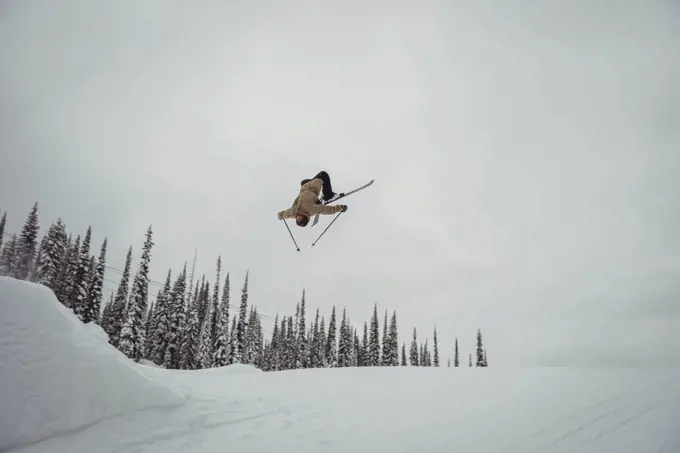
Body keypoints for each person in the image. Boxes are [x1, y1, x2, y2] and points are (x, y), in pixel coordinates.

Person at [277, 171, 347, 227]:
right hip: (313, 188)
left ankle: (319, 200)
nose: (298, 218)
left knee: (303, 181)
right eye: (300, 219)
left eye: (297, 220)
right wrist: (340, 208)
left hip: (304, 187)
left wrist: (280, 215)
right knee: (323, 175)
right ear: (305, 218)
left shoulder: (293, 212)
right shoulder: (311, 210)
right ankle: (328, 196)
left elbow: (286, 214)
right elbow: (327, 210)